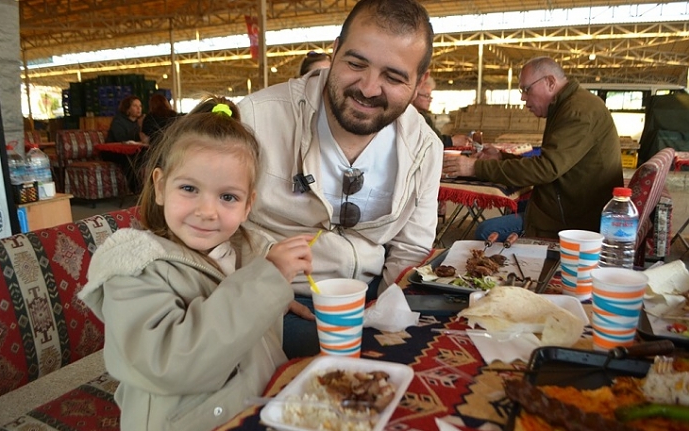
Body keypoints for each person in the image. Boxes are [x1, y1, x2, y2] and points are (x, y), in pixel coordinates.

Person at [77, 96, 314, 431]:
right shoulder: (134, 268)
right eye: (189, 188)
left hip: (254, 409)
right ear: (160, 186)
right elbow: (171, 364)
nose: (207, 211)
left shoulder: (248, 254)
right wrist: (265, 284)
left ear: (249, 206)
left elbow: (235, 318)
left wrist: (275, 297)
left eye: (228, 197)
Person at [238, 0, 442, 358]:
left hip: (372, 294)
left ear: (420, 82)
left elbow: (411, 249)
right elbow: (206, 224)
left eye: (393, 77)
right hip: (281, 298)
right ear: (334, 52)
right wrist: (262, 288)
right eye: (355, 63)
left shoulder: (425, 147)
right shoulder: (254, 120)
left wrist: (388, 310)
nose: (367, 87)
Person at [442, 56, 623, 240]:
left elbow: (545, 169)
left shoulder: (578, 112)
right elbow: (548, 163)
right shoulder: (570, 105)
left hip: (573, 223)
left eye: (527, 89)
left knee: (485, 231)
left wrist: (473, 167)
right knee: (520, 206)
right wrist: (502, 158)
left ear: (550, 82)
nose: (523, 98)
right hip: (565, 207)